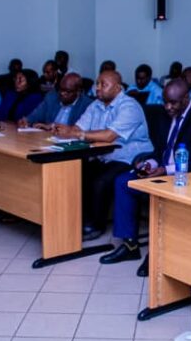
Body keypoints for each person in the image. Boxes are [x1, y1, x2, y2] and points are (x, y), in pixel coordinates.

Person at [103, 78, 191, 274]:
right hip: (163, 172)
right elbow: (160, 151)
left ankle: (157, 255)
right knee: (123, 182)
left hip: (187, 177)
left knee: (160, 196)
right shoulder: (165, 116)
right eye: (165, 102)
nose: (167, 107)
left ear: (186, 98)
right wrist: (150, 164)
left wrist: (167, 170)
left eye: (173, 103)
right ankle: (130, 245)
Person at [54, 70, 152, 241]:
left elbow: (109, 136)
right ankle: (77, 219)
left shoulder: (129, 106)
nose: (98, 88)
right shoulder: (96, 105)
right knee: (76, 172)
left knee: (101, 181)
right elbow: (78, 128)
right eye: (97, 84)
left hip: (130, 157)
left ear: (117, 88)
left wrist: (77, 134)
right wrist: (67, 130)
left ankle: (96, 225)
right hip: (104, 155)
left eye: (103, 84)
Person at [21, 72, 91, 129]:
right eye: (61, 89)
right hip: (48, 138)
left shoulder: (87, 105)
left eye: (67, 91)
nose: (62, 93)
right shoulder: (51, 98)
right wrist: (26, 121)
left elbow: (81, 129)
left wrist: (53, 126)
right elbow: (35, 116)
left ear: (78, 91)